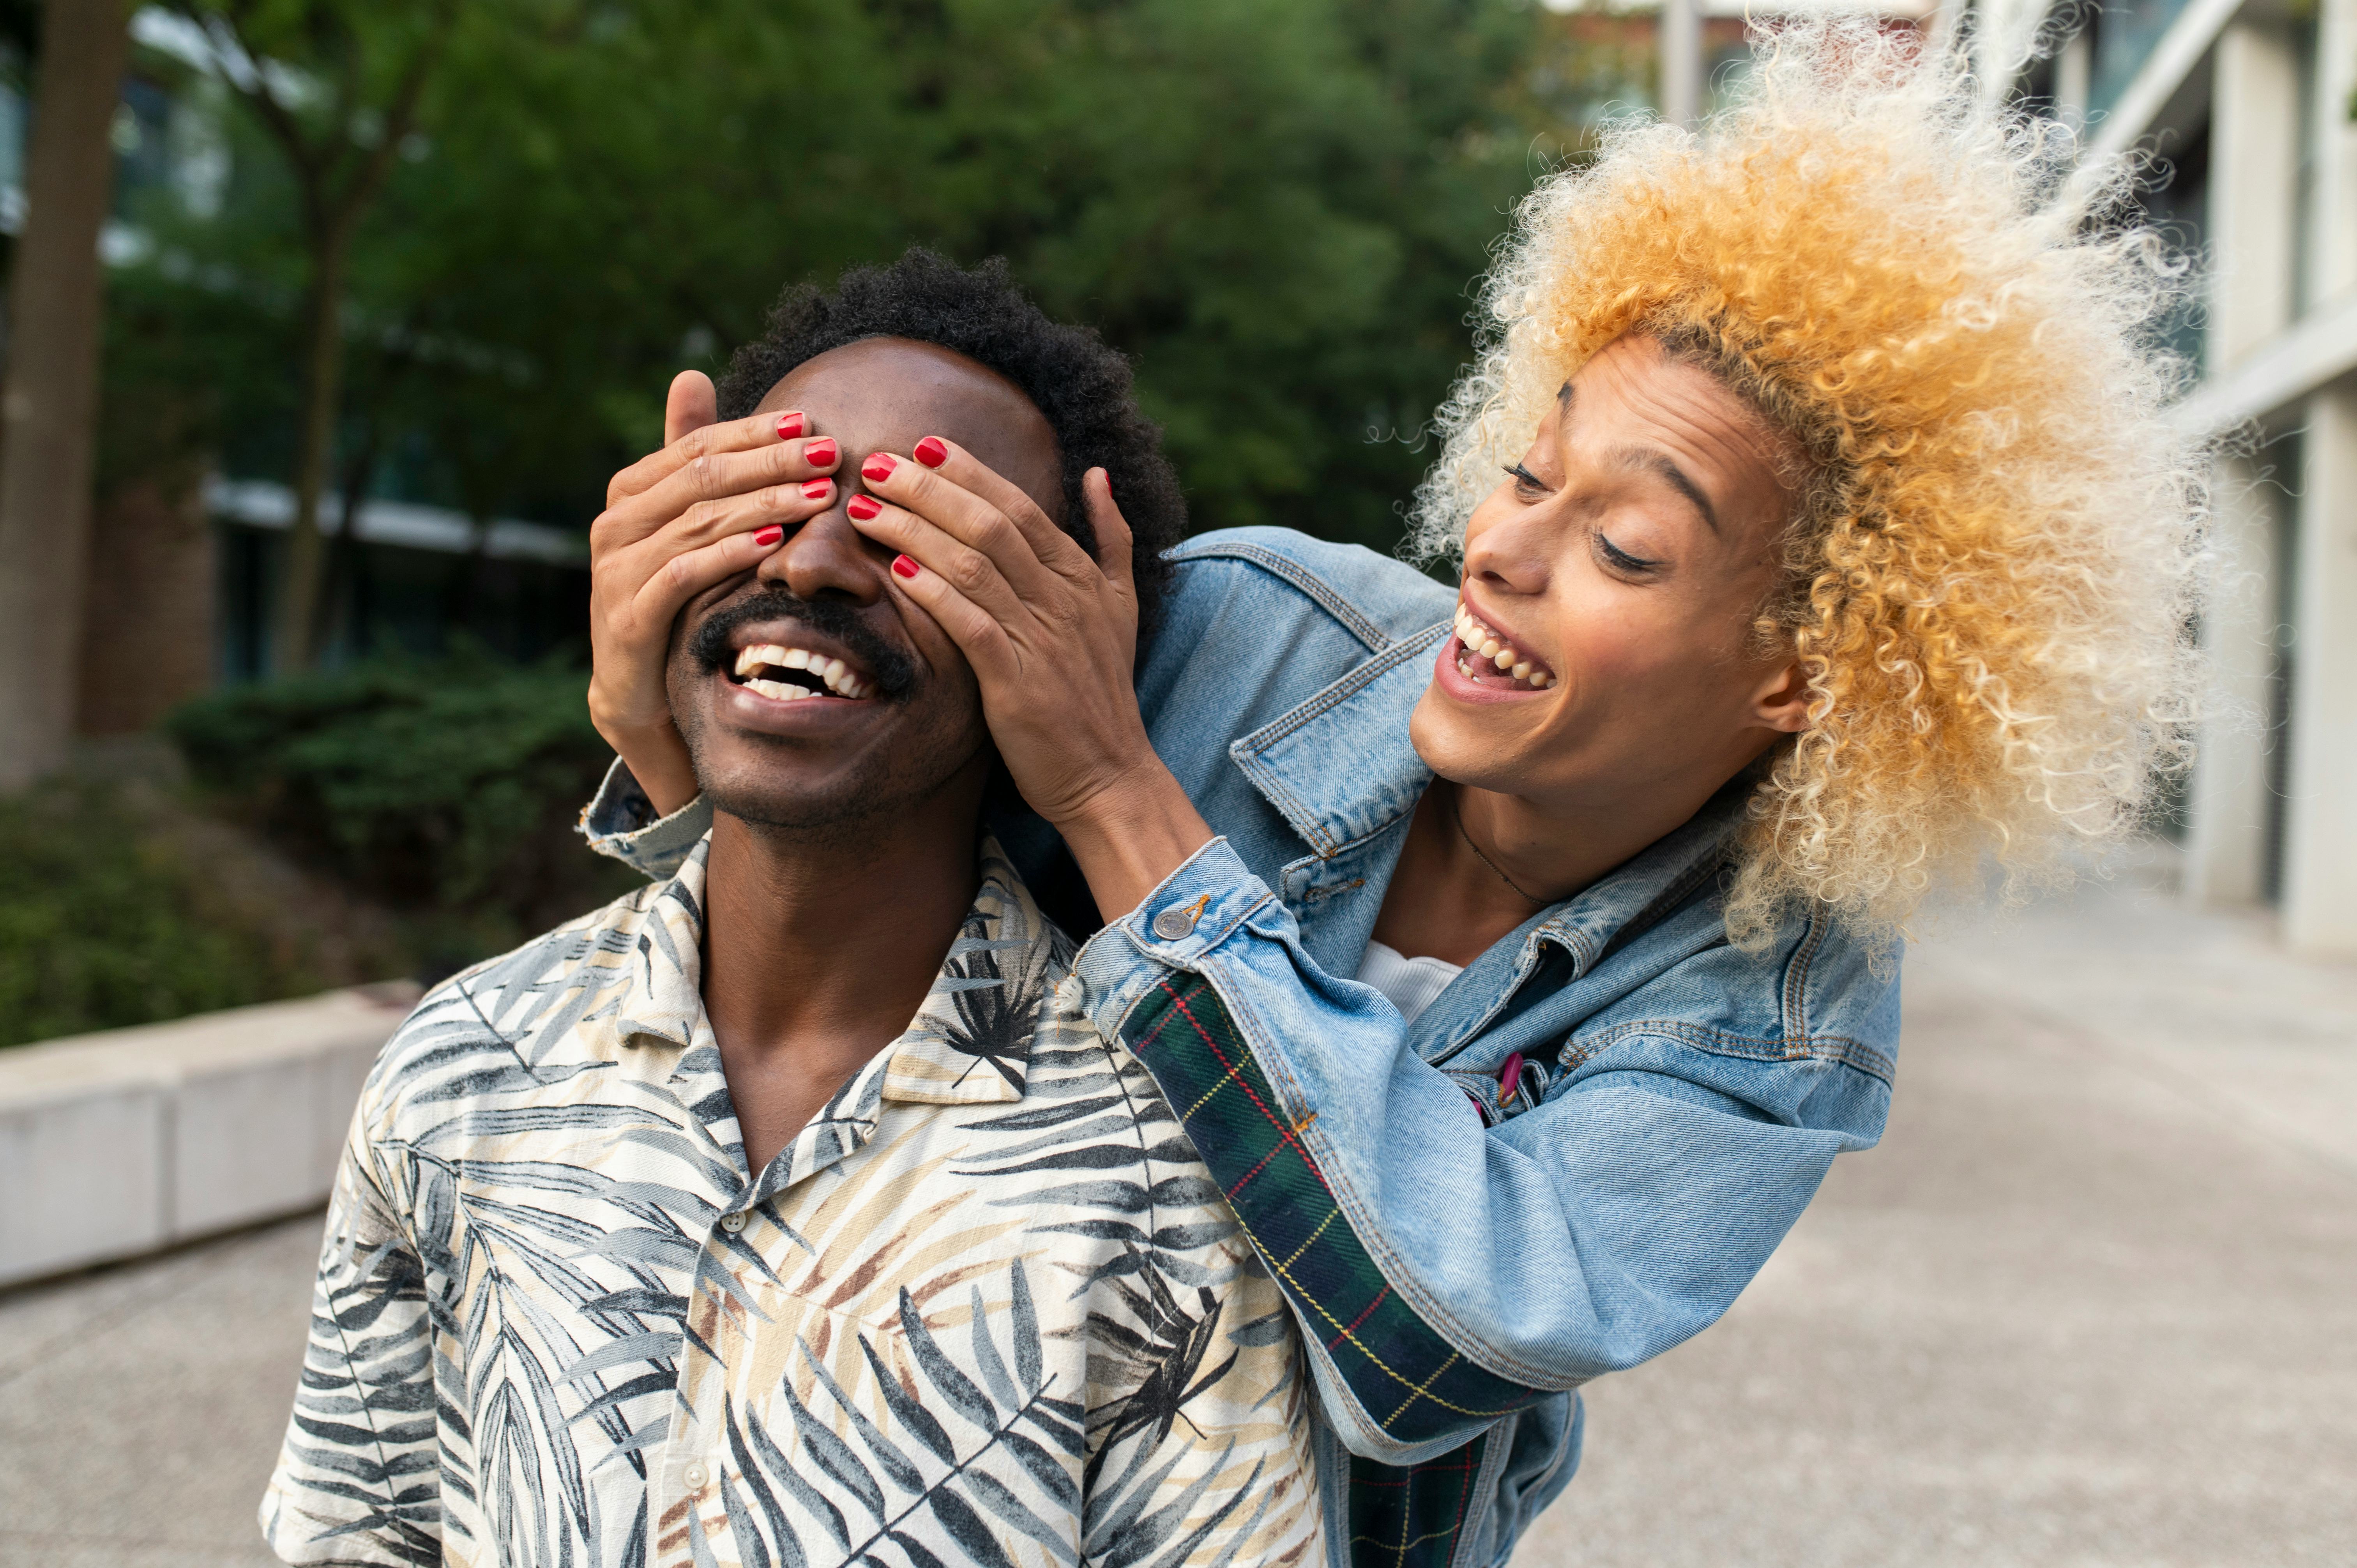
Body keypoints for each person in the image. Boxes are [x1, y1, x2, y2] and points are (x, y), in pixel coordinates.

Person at [581, 26, 2203, 1567]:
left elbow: (1441, 1342)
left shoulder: (1775, 1018)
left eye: (1625, 547)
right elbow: (844, 925)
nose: (1500, 555)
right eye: (1529, 473)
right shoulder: (1244, 628)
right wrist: (665, 740)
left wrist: (1118, 800)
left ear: (1807, 670)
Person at [259, 257, 1331, 1568]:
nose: (818, 562)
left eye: (918, 527)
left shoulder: (1166, 1172)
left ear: (1054, 643)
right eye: (775, 494)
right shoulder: (461, 1071)